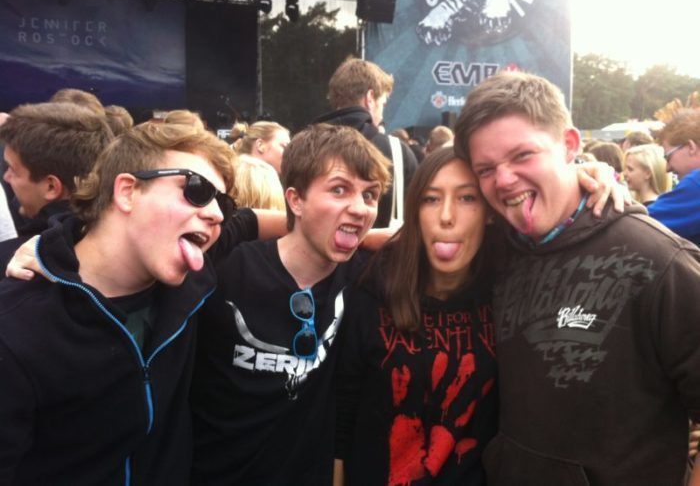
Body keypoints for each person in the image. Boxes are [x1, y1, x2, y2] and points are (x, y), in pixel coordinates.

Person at [453, 71, 700, 485]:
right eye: (486, 168)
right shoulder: (495, 251)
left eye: (522, 155)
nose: (504, 179)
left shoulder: (658, 260)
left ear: (569, 145)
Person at [0, 121, 237, 484]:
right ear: (127, 191)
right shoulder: (17, 330)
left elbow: (256, 223)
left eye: (224, 203)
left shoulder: (192, 283)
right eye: (197, 189)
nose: (216, 213)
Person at [190, 123, 392, 485]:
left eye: (370, 195)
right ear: (296, 199)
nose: (360, 208)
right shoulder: (229, 269)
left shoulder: (365, 279)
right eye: (339, 189)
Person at [335, 147, 499, 485]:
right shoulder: (372, 285)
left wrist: (591, 179)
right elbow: (341, 416)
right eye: (431, 199)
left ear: (489, 212)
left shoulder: (507, 288)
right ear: (415, 211)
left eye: (467, 198)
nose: (446, 216)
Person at [0, 102, 114, 273]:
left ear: (51, 187)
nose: (6, 177)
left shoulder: (16, 266)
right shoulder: (126, 247)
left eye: (13, 170)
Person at [315, 57, 418, 228]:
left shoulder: (306, 147)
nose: (382, 115)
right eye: (383, 104)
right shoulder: (398, 153)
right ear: (370, 98)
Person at [648, 108, 700, 245]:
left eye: (668, 157)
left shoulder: (696, 184)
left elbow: (640, 225)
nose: (667, 168)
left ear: (691, 147)